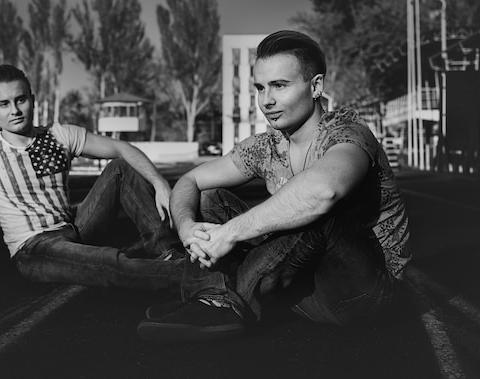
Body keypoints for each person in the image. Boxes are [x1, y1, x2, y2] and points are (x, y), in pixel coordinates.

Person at [137, 31, 411, 343]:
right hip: (301, 292)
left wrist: (229, 233)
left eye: (280, 85)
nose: (266, 100)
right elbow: (190, 180)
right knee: (211, 196)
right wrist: (187, 228)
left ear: (316, 86)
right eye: (260, 87)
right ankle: (215, 300)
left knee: (314, 206)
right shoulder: (265, 146)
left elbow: (324, 191)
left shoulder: (348, 134)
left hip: (365, 295)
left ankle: (220, 300)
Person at [0, 64, 183, 291]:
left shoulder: (58, 134)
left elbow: (120, 147)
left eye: (20, 100)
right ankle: (196, 276)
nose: (15, 110)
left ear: (32, 99)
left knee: (121, 167)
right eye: (4, 104)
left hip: (74, 226)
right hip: (35, 249)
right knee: (109, 262)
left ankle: (169, 253)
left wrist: (159, 183)